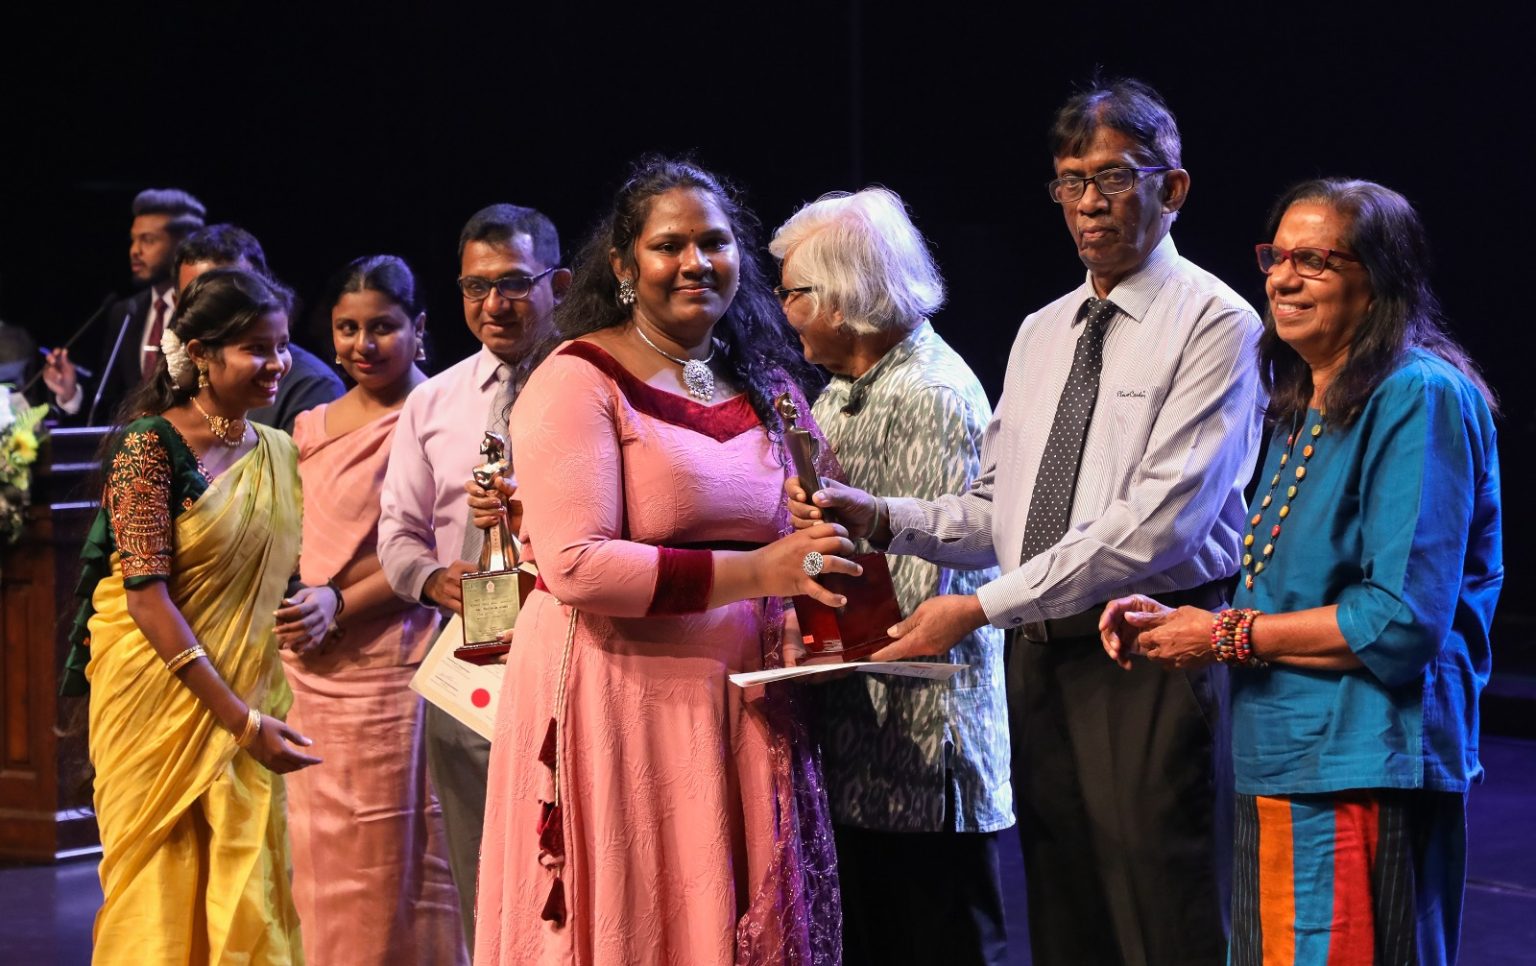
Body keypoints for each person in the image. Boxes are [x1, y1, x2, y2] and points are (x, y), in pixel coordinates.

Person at [788, 78, 1263, 965]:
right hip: (1040, 657)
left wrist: (978, 606)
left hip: (1149, 647)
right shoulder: (1044, 330)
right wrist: (881, 516)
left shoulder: (1218, 322)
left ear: (1174, 188)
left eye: (1114, 177)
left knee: (1165, 914)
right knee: (1068, 915)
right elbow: (997, 510)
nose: (1089, 202)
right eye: (1071, 181)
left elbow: (1156, 525)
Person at [1101, 179, 1502, 966]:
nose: (1283, 279)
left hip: (1365, 762)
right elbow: (1289, 585)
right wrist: (1182, 620)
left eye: (1314, 260)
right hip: (1283, 756)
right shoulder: (1301, 402)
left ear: (1378, 280)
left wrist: (1221, 635)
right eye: (1277, 257)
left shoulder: (1418, 395)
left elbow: (1397, 621)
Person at [472, 156, 851, 965]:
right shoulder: (578, 378)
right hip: (620, 697)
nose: (695, 262)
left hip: (746, 699)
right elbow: (578, 566)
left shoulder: (770, 383)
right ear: (623, 265)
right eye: (669, 245)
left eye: (714, 242)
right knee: (642, 914)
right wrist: (763, 574)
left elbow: (819, 520)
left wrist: (816, 591)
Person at [768, 187, 1011, 965]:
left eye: (793, 293)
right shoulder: (841, 392)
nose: (784, 312)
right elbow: (831, 561)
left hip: (921, 763)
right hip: (861, 752)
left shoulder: (929, 394)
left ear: (841, 298)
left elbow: (917, 596)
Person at [57, 268, 321, 964]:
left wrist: (326, 603)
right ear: (201, 354)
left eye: (283, 345)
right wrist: (240, 721)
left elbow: (288, 575)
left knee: (246, 886)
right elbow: (145, 597)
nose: (278, 363)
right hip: (157, 703)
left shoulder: (278, 452)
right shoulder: (150, 448)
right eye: (257, 348)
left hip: (251, 694)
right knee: (158, 897)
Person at [376, 203, 570, 948]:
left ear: (559, 284)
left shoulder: (597, 383)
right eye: (475, 286)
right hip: (471, 671)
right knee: (480, 875)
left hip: (580, 660)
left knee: (572, 874)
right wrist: (433, 581)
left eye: (514, 283)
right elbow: (397, 535)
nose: (494, 304)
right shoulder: (434, 401)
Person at [273, 255, 466, 965]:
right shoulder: (310, 426)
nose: (364, 344)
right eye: (347, 328)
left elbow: (432, 550)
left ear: (418, 327)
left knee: (397, 856)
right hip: (310, 670)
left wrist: (339, 602)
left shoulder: (442, 415)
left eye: (382, 326)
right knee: (317, 859)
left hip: (395, 665)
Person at [45, 187, 206, 423]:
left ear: (183, 245)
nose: (134, 251)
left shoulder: (203, 308)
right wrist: (70, 392)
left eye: (148, 240)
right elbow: (110, 402)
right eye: (133, 240)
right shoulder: (126, 312)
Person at [173, 224, 344, 431]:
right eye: (202, 299)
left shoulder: (311, 387)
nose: (218, 312)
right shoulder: (175, 373)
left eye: (235, 297)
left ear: (264, 291)